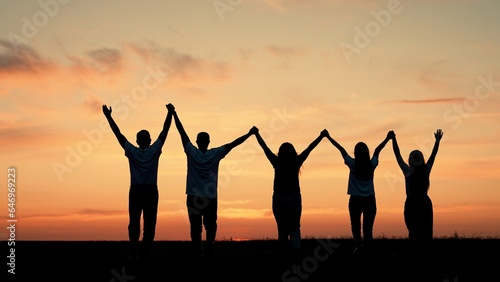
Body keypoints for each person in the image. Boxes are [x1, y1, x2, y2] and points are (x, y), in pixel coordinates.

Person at [168, 104, 257, 261]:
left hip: (194, 197)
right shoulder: (215, 153)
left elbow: (182, 132)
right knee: (210, 226)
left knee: (195, 228)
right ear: (208, 142)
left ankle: (199, 252)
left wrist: (174, 114)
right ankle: (209, 248)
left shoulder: (192, 151)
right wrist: (249, 134)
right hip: (209, 197)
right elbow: (234, 144)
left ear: (197, 141)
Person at [102, 103, 173, 261]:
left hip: (137, 191)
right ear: (149, 140)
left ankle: (135, 253)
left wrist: (108, 116)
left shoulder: (132, 151)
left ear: (137, 140)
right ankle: (143, 254)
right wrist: (170, 114)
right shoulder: (153, 150)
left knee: (134, 223)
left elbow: (118, 134)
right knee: (148, 224)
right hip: (149, 191)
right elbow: (165, 131)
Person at [253, 128, 328, 263]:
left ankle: (283, 257)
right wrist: (321, 136)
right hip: (293, 198)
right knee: (294, 228)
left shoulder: (277, 162)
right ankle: (296, 255)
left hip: (279, 198)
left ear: (280, 153)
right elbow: (310, 148)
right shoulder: (296, 161)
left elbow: (264, 147)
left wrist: (256, 134)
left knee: (282, 229)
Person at [325, 130, 392, 254]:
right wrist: (388, 139)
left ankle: (359, 246)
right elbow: (377, 150)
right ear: (367, 153)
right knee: (368, 228)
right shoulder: (371, 164)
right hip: (370, 200)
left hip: (355, 200)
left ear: (356, 153)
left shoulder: (353, 164)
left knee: (355, 226)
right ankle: (367, 249)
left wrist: (328, 137)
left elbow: (341, 149)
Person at [390, 129, 443, 256]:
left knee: (413, 230)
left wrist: (393, 139)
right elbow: (433, 156)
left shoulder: (408, 171)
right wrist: (437, 142)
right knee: (425, 231)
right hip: (424, 203)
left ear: (410, 161)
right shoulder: (426, 170)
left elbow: (397, 155)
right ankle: (425, 254)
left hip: (412, 203)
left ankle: (415, 253)